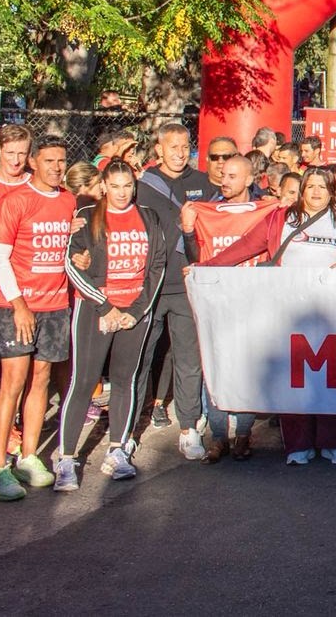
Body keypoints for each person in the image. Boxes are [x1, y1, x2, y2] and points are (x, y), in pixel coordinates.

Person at [205, 167, 336, 465]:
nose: (315, 192)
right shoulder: (282, 219)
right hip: (289, 312)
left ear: (332, 191)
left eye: (323, 187)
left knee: (331, 378)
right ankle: (298, 445)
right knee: (295, 378)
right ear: (301, 189)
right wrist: (207, 266)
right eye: (310, 186)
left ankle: (333, 441)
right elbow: (246, 247)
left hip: (332, 313)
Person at [54, 161, 168, 490]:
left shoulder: (148, 217)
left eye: (127, 186)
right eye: (115, 186)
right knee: (83, 381)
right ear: (104, 185)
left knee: (125, 380)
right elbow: (72, 265)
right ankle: (67, 457)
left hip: (133, 312)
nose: (122, 192)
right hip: (95, 311)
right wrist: (104, 306)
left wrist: (136, 310)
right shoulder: (88, 217)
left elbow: (156, 265)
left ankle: (118, 449)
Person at [0, 136, 77, 500]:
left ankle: (29, 457)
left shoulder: (69, 201)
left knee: (41, 380)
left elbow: (69, 249)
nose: (56, 167)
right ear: (34, 162)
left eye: (62, 161)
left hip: (55, 305)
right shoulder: (15, 201)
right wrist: (19, 303)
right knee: (13, 383)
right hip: (18, 307)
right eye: (49, 160)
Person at [180, 154, 282, 461]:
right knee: (216, 367)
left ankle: (243, 435)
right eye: (223, 175)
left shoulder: (268, 209)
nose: (224, 181)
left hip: (252, 300)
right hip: (216, 301)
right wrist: (187, 230)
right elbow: (193, 255)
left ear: (250, 180)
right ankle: (218, 436)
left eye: (233, 176)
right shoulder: (205, 210)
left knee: (248, 368)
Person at [133, 123, 217, 463]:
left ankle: (188, 427)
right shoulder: (142, 186)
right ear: (159, 149)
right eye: (173, 147)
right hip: (149, 286)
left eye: (185, 146)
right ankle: (127, 432)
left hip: (186, 285)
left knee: (188, 359)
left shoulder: (203, 184)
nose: (180, 153)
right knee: (140, 359)